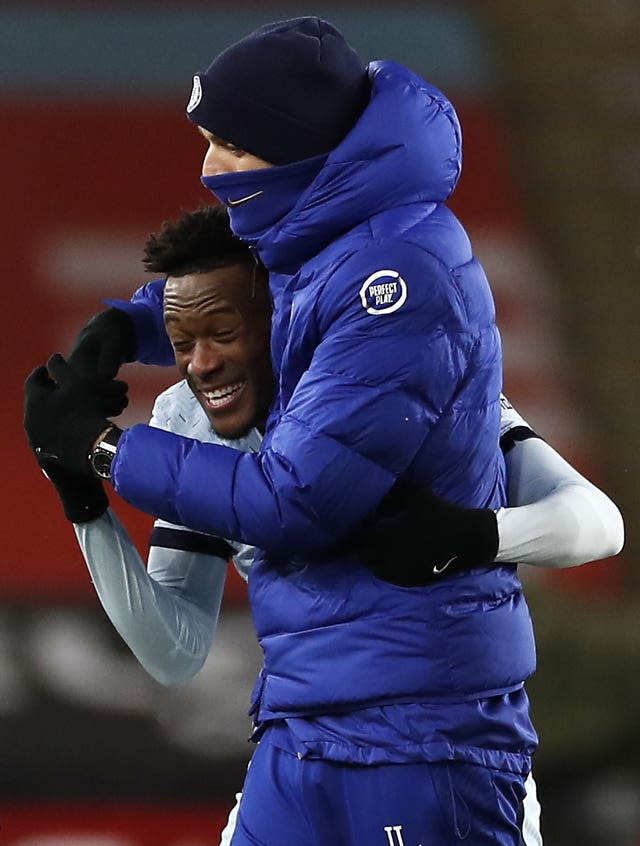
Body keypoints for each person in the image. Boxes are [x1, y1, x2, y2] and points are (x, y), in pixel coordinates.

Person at [22, 18, 623, 845]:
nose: (207, 168)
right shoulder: (312, 260)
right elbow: (251, 303)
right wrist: (124, 334)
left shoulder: (399, 280)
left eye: (230, 144)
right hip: (303, 728)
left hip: (423, 740)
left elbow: (295, 502)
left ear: (297, 151)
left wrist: (102, 451)